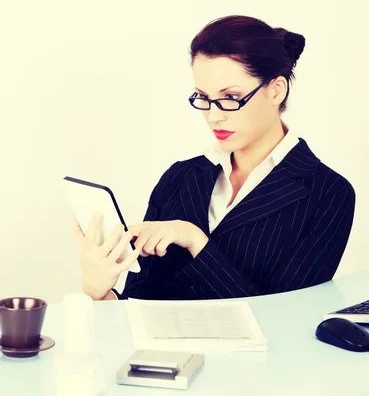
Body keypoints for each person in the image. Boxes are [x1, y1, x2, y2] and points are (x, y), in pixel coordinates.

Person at [73, 15, 355, 301]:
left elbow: (283, 321)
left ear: (275, 90)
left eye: (231, 96)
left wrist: (195, 240)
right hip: (163, 348)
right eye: (203, 97)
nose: (213, 115)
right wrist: (100, 292)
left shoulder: (329, 194)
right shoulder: (179, 178)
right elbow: (140, 305)